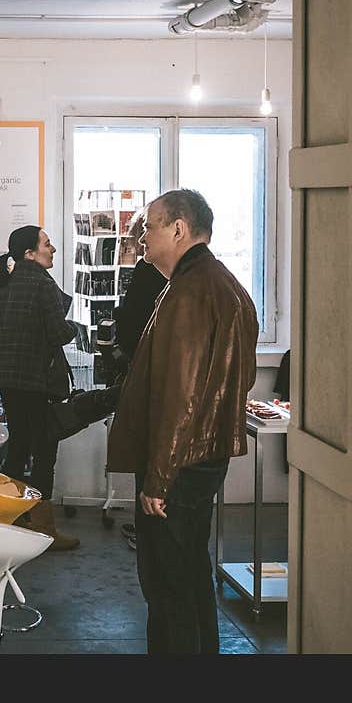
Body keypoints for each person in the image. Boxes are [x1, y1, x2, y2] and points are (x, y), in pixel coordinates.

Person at [107, 189, 258, 653]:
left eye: (149, 226)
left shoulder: (191, 293)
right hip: (201, 460)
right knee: (191, 575)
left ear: (179, 228)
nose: (141, 236)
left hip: (178, 466)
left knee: (168, 584)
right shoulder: (223, 284)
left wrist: (158, 479)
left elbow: (181, 396)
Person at [0, 225, 79, 551]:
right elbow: (58, 334)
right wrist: (74, 329)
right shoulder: (43, 285)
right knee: (44, 451)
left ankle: (11, 520)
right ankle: (43, 529)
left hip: (7, 380)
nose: (52, 249)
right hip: (39, 382)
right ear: (29, 253)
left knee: (18, 446)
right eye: (47, 244)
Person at [113, 207, 168, 551]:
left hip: (149, 378)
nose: (142, 240)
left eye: (146, 232)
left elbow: (133, 323)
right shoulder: (165, 275)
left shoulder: (153, 273)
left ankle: (150, 527)